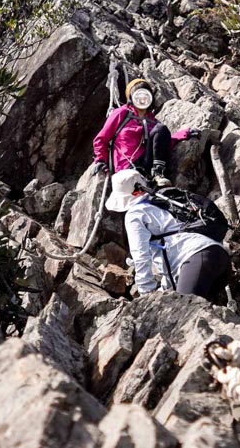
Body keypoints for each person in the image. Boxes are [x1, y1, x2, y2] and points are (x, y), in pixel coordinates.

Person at [105, 168, 231, 300]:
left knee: (185, 309)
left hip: (195, 259)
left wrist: (145, 295)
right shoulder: (164, 203)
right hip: (219, 257)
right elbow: (171, 256)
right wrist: (164, 290)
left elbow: (141, 255)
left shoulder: (135, 214)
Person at [93, 78, 193, 188]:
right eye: (138, 95)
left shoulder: (153, 122)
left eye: (145, 95)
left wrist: (183, 135)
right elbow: (101, 139)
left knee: (161, 129)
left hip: (145, 164)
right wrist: (101, 160)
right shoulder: (121, 113)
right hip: (126, 167)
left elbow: (160, 144)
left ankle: (157, 174)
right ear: (131, 97)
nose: (142, 99)